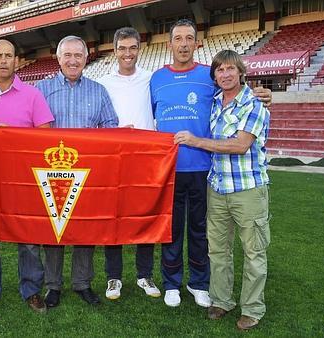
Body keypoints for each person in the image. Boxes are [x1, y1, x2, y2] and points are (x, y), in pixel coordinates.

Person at [150, 19, 271, 308]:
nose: (183, 44)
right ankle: (171, 283)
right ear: (169, 44)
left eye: (188, 38)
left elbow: (236, 92)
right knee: (172, 229)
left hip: (205, 169)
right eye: (177, 38)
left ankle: (199, 283)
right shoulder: (156, 78)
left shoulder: (209, 75)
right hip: (169, 169)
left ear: (196, 43)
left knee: (201, 231)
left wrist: (262, 93)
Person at [174, 49, 270, 331]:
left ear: (241, 72)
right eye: (219, 70)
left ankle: (252, 308)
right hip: (217, 187)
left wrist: (195, 141)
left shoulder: (253, 104)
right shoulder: (215, 102)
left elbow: (240, 145)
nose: (225, 75)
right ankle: (222, 300)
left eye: (230, 69)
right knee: (218, 249)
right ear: (214, 76)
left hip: (248, 189)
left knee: (253, 251)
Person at [0, 39, 54, 317]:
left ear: (17, 61)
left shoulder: (33, 95)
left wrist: (14, 137)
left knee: (29, 239)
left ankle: (31, 291)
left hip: (24, 180)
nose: (4, 60)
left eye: (9, 56)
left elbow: (46, 138)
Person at [36, 35, 118, 308]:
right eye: (67, 55)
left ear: (86, 58)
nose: (73, 60)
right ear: (58, 58)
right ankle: (53, 285)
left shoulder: (99, 90)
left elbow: (110, 127)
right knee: (54, 230)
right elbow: (28, 130)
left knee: (85, 230)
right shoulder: (41, 89)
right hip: (52, 173)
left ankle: (82, 283)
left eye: (78, 56)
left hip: (87, 174)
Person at [96, 27, 160, 300]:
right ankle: (114, 278)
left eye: (132, 48)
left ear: (139, 49)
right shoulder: (103, 82)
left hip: (146, 159)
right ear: (114, 50)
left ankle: (145, 275)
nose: (127, 53)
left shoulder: (151, 79)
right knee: (114, 219)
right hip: (115, 160)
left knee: (145, 217)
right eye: (122, 48)